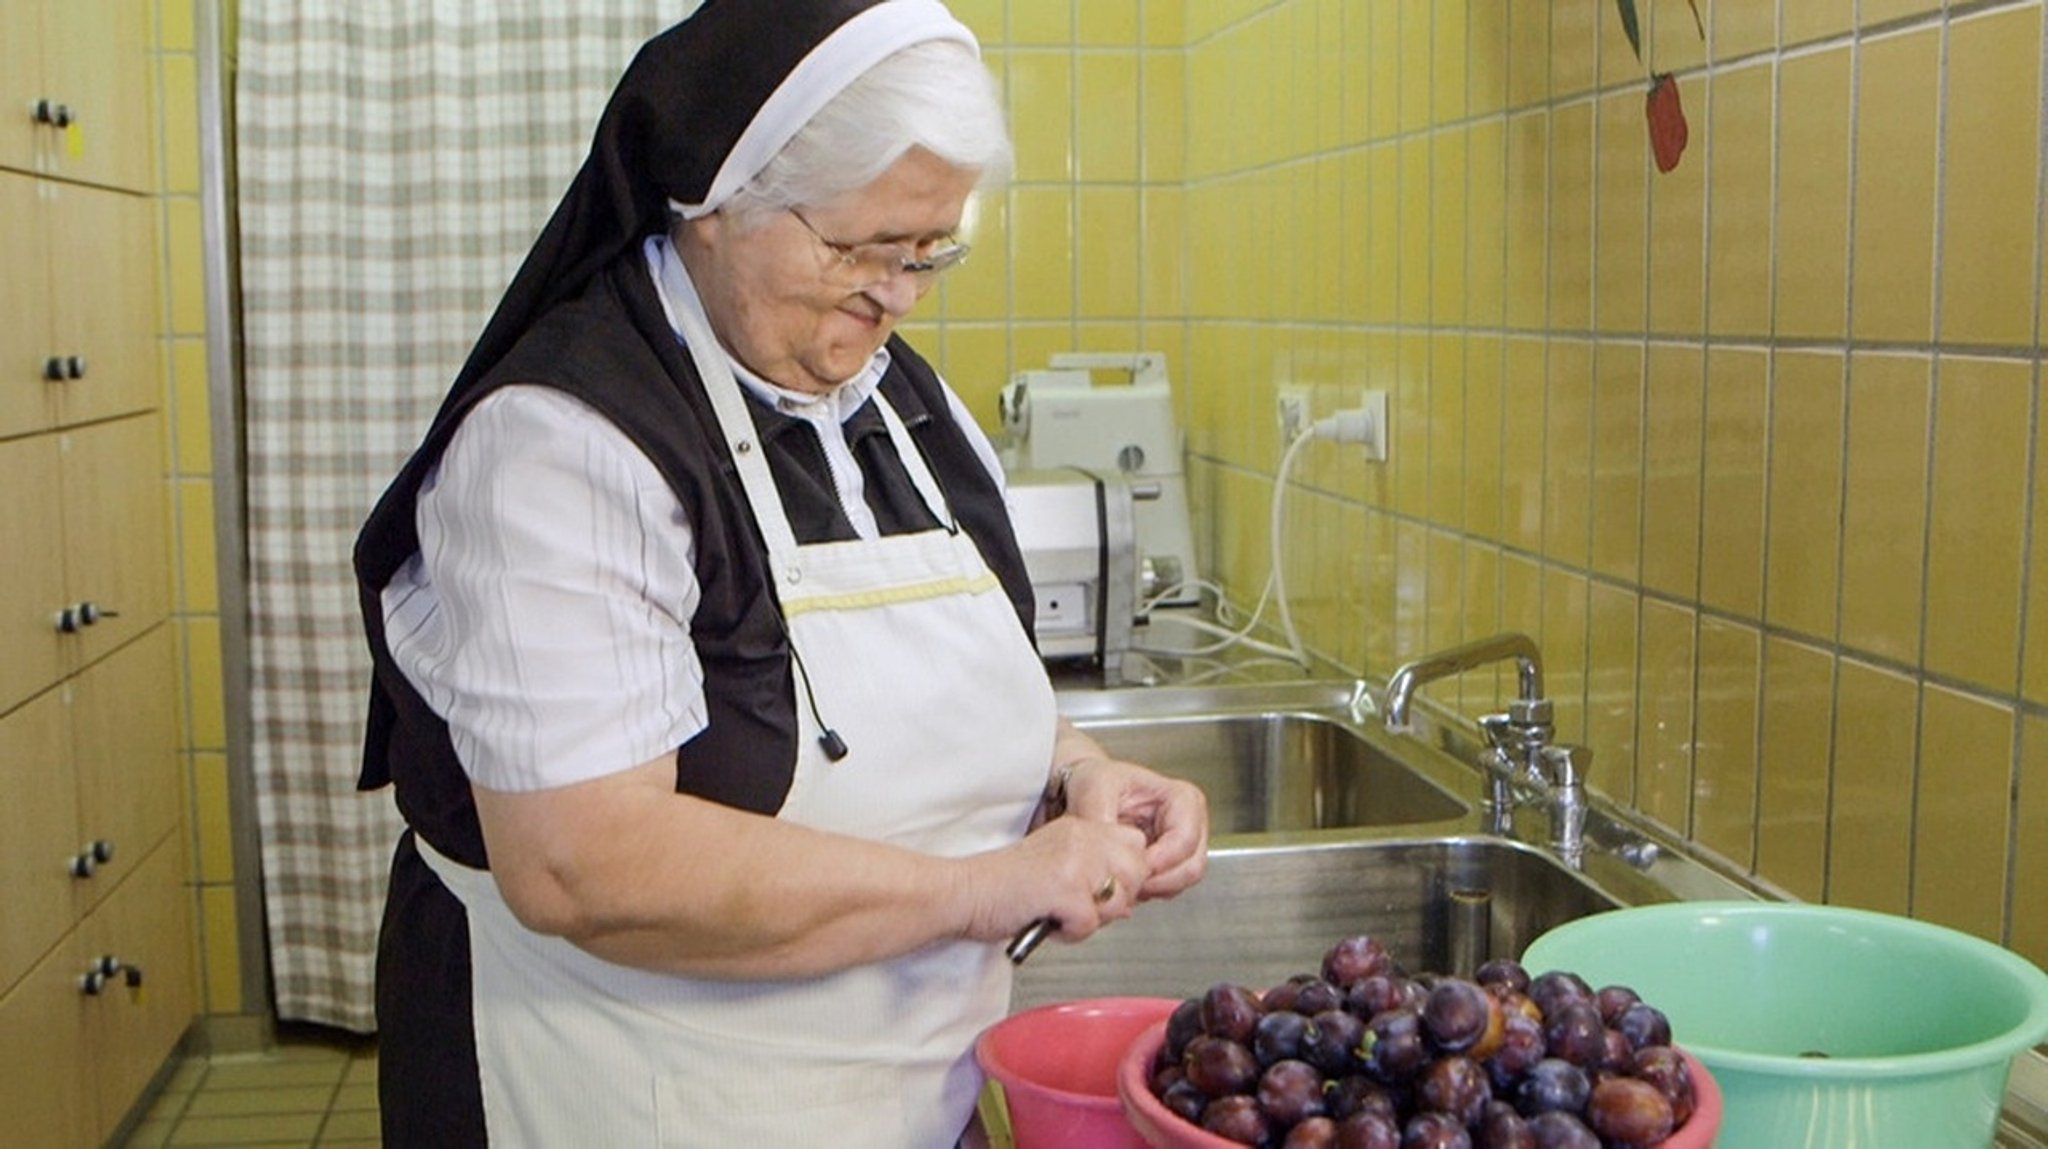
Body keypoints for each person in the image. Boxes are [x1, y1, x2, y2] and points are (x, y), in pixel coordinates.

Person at [350, 2, 1209, 1145]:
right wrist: (984, 889)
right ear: (716, 200)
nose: (897, 295)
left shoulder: (908, 409)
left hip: (901, 1093)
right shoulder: (559, 444)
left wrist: (1080, 775)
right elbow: (586, 863)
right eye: (859, 249)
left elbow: (932, 700)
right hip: (628, 1094)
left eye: (928, 252)